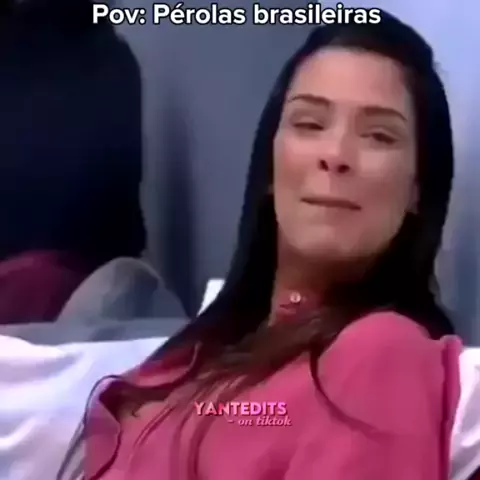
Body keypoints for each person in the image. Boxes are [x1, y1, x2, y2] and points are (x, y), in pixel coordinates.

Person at [78, 12, 463, 480]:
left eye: (379, 136)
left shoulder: (382, 351)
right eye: (310, 123)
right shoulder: (206, 349)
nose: (335, 155)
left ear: (417, 189)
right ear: (271, 163)